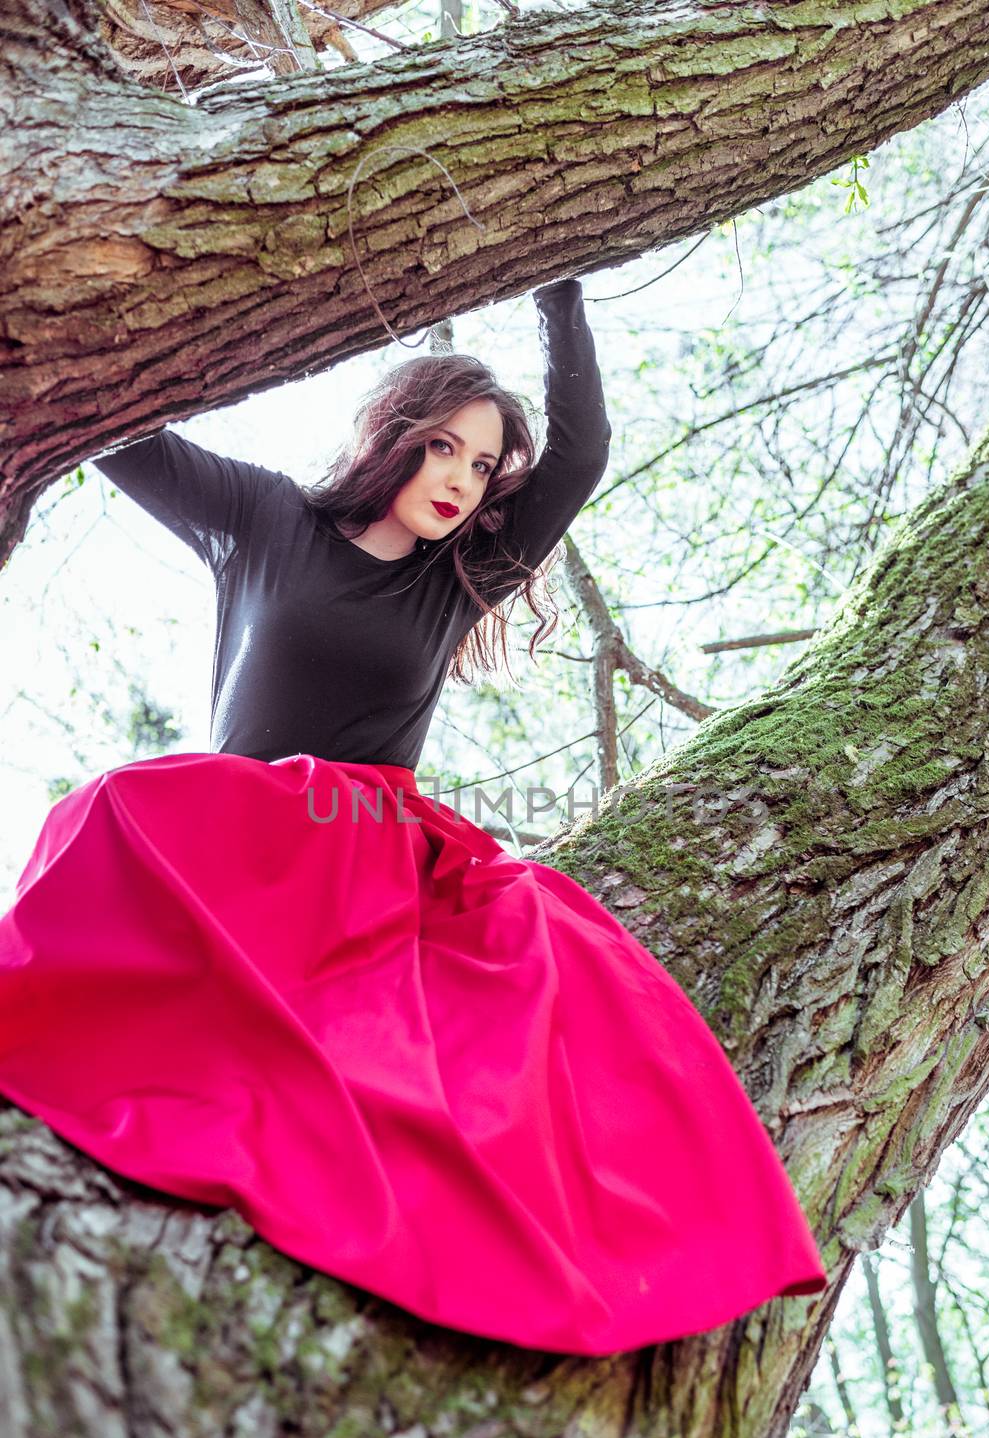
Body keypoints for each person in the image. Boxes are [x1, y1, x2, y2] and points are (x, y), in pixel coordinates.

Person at [0, 278, 827, 1356]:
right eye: (446, 448)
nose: (461, 480)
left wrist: (560, 284)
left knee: (532, 994)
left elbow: (577, 459)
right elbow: (108, 424)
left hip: (361, 858)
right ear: (397, 433)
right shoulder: (264, 519)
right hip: (229, 835)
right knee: (107, 807)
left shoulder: (461, 576)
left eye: (482, 466)